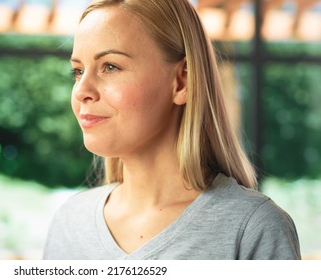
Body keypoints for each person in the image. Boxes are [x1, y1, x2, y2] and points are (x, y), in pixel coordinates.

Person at [43, 0, 301, 260]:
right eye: (77, 71)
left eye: (110, 67)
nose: (81, 91)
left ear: (182, 81)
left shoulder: (253, 229)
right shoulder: (69, 223)